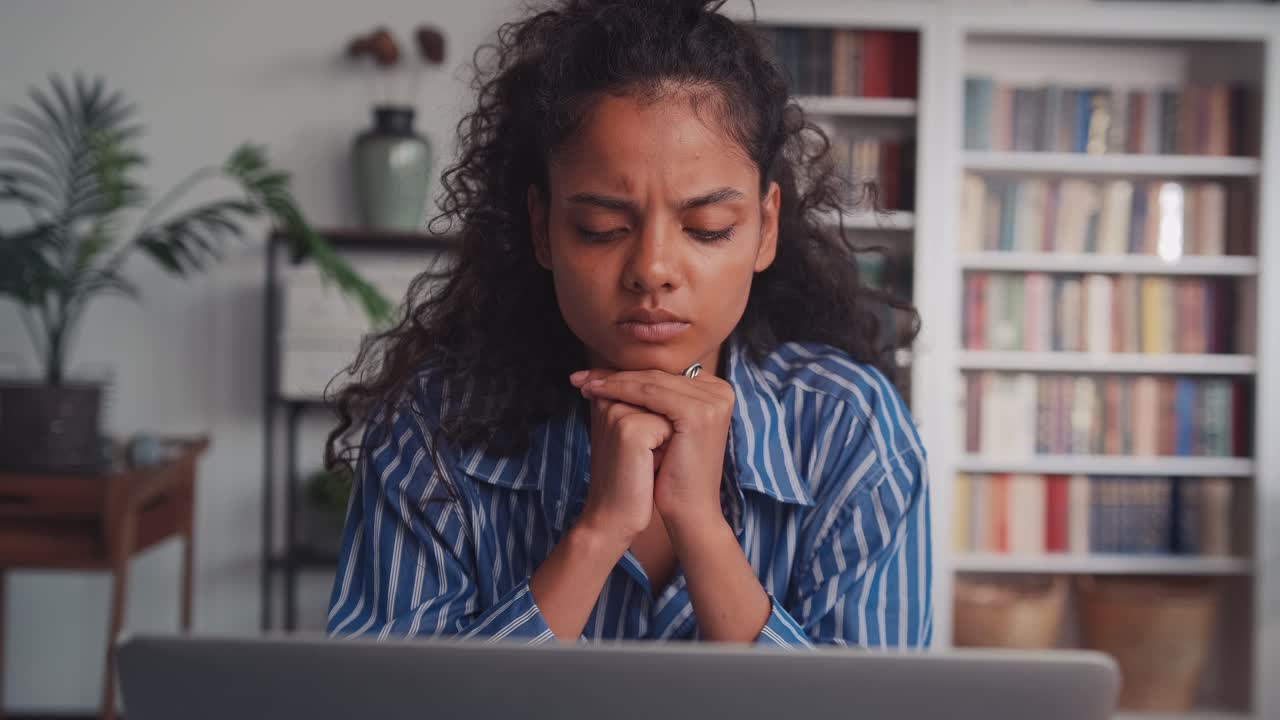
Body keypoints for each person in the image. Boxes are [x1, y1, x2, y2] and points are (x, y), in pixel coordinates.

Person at [324, 0, 930, 648]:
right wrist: (598, 530)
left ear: (766, 228)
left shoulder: (849, 431)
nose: (653, 269)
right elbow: (387, 704)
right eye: (602, 229)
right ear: (542, 229)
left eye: (708, 229)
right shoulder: (433, 427)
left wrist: (700, 525)